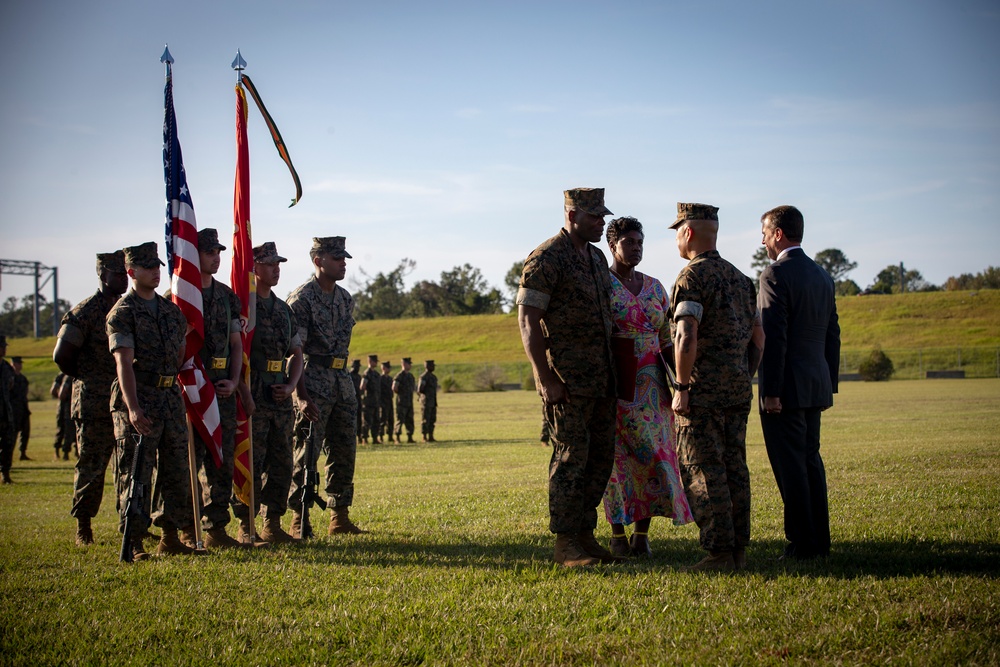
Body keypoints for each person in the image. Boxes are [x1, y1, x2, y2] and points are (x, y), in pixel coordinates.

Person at [516, 187, 618, 568]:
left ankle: (585, 536)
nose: (601, 222)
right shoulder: (546, 258)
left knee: (598, 460)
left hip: (603, 380)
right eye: (594, 216)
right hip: (568, 383)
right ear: (572, 214)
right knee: (570, 460)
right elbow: (527, 321)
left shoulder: (595, 257)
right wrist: (545, 378)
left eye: (603, 215)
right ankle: (564, 544)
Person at [668, 203, 764, 572]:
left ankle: (719, 553)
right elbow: (759, 337)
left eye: (677, 231)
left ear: (688, 233)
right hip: (737, 391)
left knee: (703, 469)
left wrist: (681, 385)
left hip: (702, 393)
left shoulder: (692, 277)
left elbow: (685, 333)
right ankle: (738, 549)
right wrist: (744, 373)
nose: (676, 239)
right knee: (735, 468)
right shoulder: (741, 279)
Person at [601, 217, 693, 559]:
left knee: (654, 460)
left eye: (640, 242)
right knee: (618, 464)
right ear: (612, 246)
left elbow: (668, 339)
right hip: (616, 385)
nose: (636, 248)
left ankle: (642, 535)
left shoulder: (655, 286)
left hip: (654, 387)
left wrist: (682, 382)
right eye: (629, 243)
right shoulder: (603, 284)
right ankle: (616, 535)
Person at [107, 241, 201, 559]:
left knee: (175, 469)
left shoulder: (171, 312)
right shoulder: (122, 313)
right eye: (148, 267)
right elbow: (123, 363)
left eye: (158, 266)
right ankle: (133, 541)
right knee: (137, 471)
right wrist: (133, 407)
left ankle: (169, 535)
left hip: (168, 396)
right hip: (139, 396)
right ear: (131, 272)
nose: (156, 272)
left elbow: (178, 355)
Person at [757, 205, 840, 561]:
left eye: (764, 233)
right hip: (814, 383)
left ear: (778, 234)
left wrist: (771, 391)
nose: (761, 240)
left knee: (791, 466)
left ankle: (802, 544)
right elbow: (833, 334)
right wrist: (828, 381)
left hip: (786, 388)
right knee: (810, 462)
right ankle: (818, 540)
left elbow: (774, 337)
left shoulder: (775, 275)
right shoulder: (822, 275)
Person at [286, 236, 365, 536]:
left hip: (341, 381)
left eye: (343, 257)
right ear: (318, 260)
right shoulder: (302, 299)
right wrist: (301, 395)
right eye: (336, 258)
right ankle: (299, 518)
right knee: (306, 450)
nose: (343, 262)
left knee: (344, 450)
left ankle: (339, 517)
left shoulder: (345, 298)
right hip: (312, 379)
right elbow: (295, 352)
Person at [53, 250, 128, 545]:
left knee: (128, 465)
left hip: (124, 400)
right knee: (92, 465)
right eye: (117, 273)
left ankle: (129, 523)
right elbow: (62, 356)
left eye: (125, 273)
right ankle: (84, 526)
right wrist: (90, 376)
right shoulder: (85, 311)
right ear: (102, 275)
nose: (123, 278)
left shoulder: (128, 308)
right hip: (94, 402)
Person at [232, 241, 303, 544]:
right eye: (270, 264)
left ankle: (272, 523)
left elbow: (297, 352)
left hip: (279, 392)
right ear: (254, 267)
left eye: (279, 264)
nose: (276, 269)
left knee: (282, 460)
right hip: (254, 388)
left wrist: (290, 385)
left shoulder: (284, 310)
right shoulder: (244, 307)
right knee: (252, 460)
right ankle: (246, 525)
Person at [184, 228, 245, 549]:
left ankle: (216, 529)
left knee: (220, 461)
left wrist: (235, 381)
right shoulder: (180, 298)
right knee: (185, 462)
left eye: (218, 252)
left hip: (221, 388)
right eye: (209, 252)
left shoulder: (227, 297)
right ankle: (182, 528)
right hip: (191, 390)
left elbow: (236, 345)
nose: (216, 257)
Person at [0, 335, 15, 484]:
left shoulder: (7, 368)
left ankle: (5, 473)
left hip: (5, 412)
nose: (4, 349)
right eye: (1, 346)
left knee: (7, 443)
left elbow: (11, 386)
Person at [50, 372, 76, 460]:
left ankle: (59, 451)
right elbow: (61, 393)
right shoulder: (70, 376)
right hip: (69, 408)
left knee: (62, 429)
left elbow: (54, 391)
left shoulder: (61, 375)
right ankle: (65, 453)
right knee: (69, 430)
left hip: (64, 408)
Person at [10, 357, 30, 461]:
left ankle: (23, 453)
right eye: (18, 363)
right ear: (13, 363)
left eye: (20, 363)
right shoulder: (9, 377)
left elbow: (26, 392)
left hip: (23, 408)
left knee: (25, 432)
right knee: (13, 433)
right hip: (13, 409)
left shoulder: (23, 378)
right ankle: (9, 455)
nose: (20, 365)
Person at [392, 357, 416, 444]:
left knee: (409, 419)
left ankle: (410, 436)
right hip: (401, 402)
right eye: (408, 363)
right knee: (400, 419)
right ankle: (397, 437)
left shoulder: (410, 376)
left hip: (409, 401)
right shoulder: (399, 376)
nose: (410, 365)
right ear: (404, 364)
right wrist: (401, 394)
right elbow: (394, 388)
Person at [359, 354, 381, 444]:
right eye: (374, 361)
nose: (376, 363)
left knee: (376, 420)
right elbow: (362, 386)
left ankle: (375, 438)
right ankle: (364, 438)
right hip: (368, 402)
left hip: (376, 401)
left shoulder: (376, 374)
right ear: (370, 362)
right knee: (367, 420)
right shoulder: (366, 374)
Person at [417, 360, 438, 442]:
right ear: (427, 366)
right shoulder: (423, 377)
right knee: (425, 419)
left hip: (433, 401)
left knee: (432, 419)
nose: (433, 367)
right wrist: (422, 397)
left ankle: (431, 436)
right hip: (426, 401)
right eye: (432, 366)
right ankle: (424, 436)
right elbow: (419, 389)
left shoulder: (433, 377)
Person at [379, 361, 395, 443]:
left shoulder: (390, 379)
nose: (389, 369)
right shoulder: (380, 379)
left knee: (390, 419)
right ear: (383, 368)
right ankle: (381, 436)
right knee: (383, 419)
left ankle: (390, 436)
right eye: (388, 368)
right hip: (383, 402)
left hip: (389, 401)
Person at [349, 359, 363, 444]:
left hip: (358, 400)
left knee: (359, 420)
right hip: (350, 401)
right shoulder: (349, 375)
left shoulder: (359, 377)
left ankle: (359, 436)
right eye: (356, 366)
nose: (358, 368)